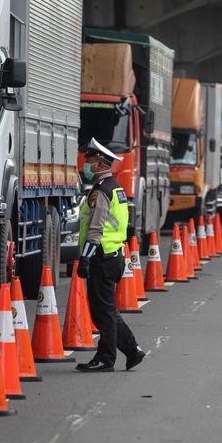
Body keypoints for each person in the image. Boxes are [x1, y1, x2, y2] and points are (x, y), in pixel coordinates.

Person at [75, 138, 145, 372]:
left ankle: (108, 357)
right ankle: (130, 351)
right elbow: (124, 225)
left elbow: (96, 227)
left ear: (100, 164)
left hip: (102, 256)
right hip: (114, 255)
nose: (86, 164)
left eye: (90, 161)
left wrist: (85, 257)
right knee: (106, 310)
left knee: (102, 311)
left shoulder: (101, 192)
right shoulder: (116, 187)